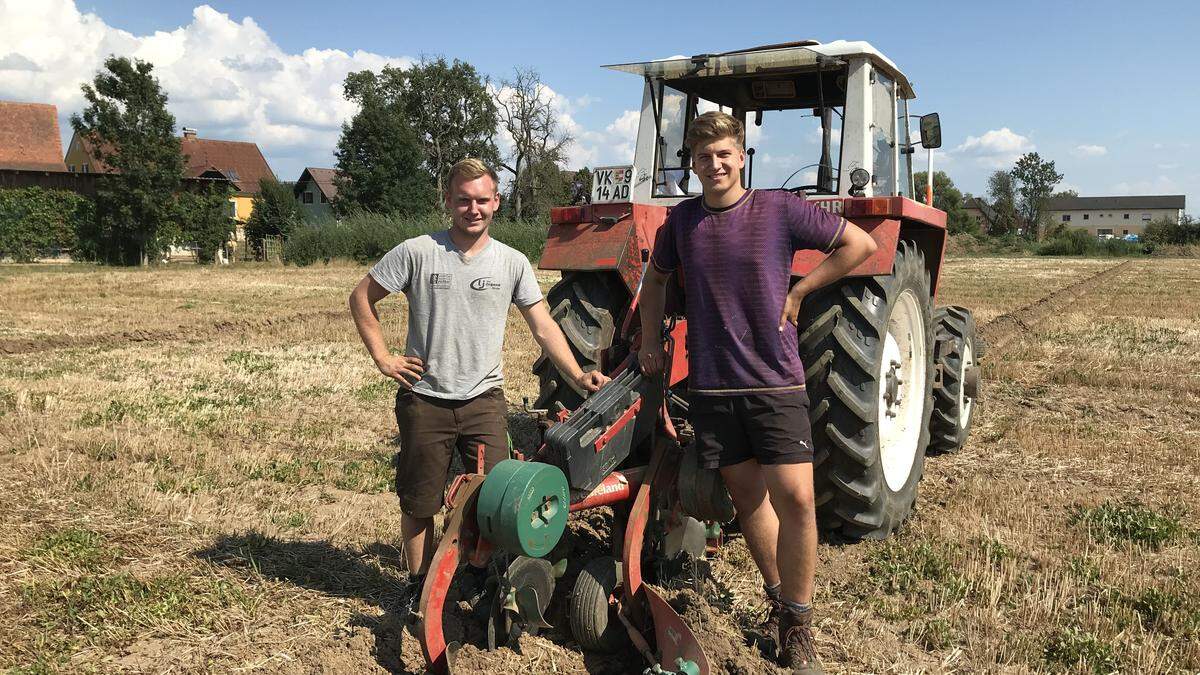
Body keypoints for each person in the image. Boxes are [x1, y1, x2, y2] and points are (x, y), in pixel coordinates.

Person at [637, 112, 877, 674]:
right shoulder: (683, 223)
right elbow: (656, 282)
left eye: (723, 154)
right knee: (747, 501)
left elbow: (859, 244)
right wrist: (649, 338)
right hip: (714, 387)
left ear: (741, 156)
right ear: (691, 165)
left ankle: (799, 626)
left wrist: (802, 289)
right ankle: (776, 600)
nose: (714, 165)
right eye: (702, 158)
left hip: (776, 381)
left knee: (795, 498)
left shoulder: (777, 208)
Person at [348, 158, 609, 592]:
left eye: (482, 200)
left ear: (497, 202)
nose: (474, 209)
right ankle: (417, 585)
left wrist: (580, 375)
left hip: (483, 401)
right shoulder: (417, 252)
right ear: (448, 201)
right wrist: (384, 358)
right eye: (464, 200)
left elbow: (544, 325)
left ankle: (476, 573)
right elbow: (361, 298)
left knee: (496, 496)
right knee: (420, 501)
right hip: (424, 398)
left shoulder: (512, 262)